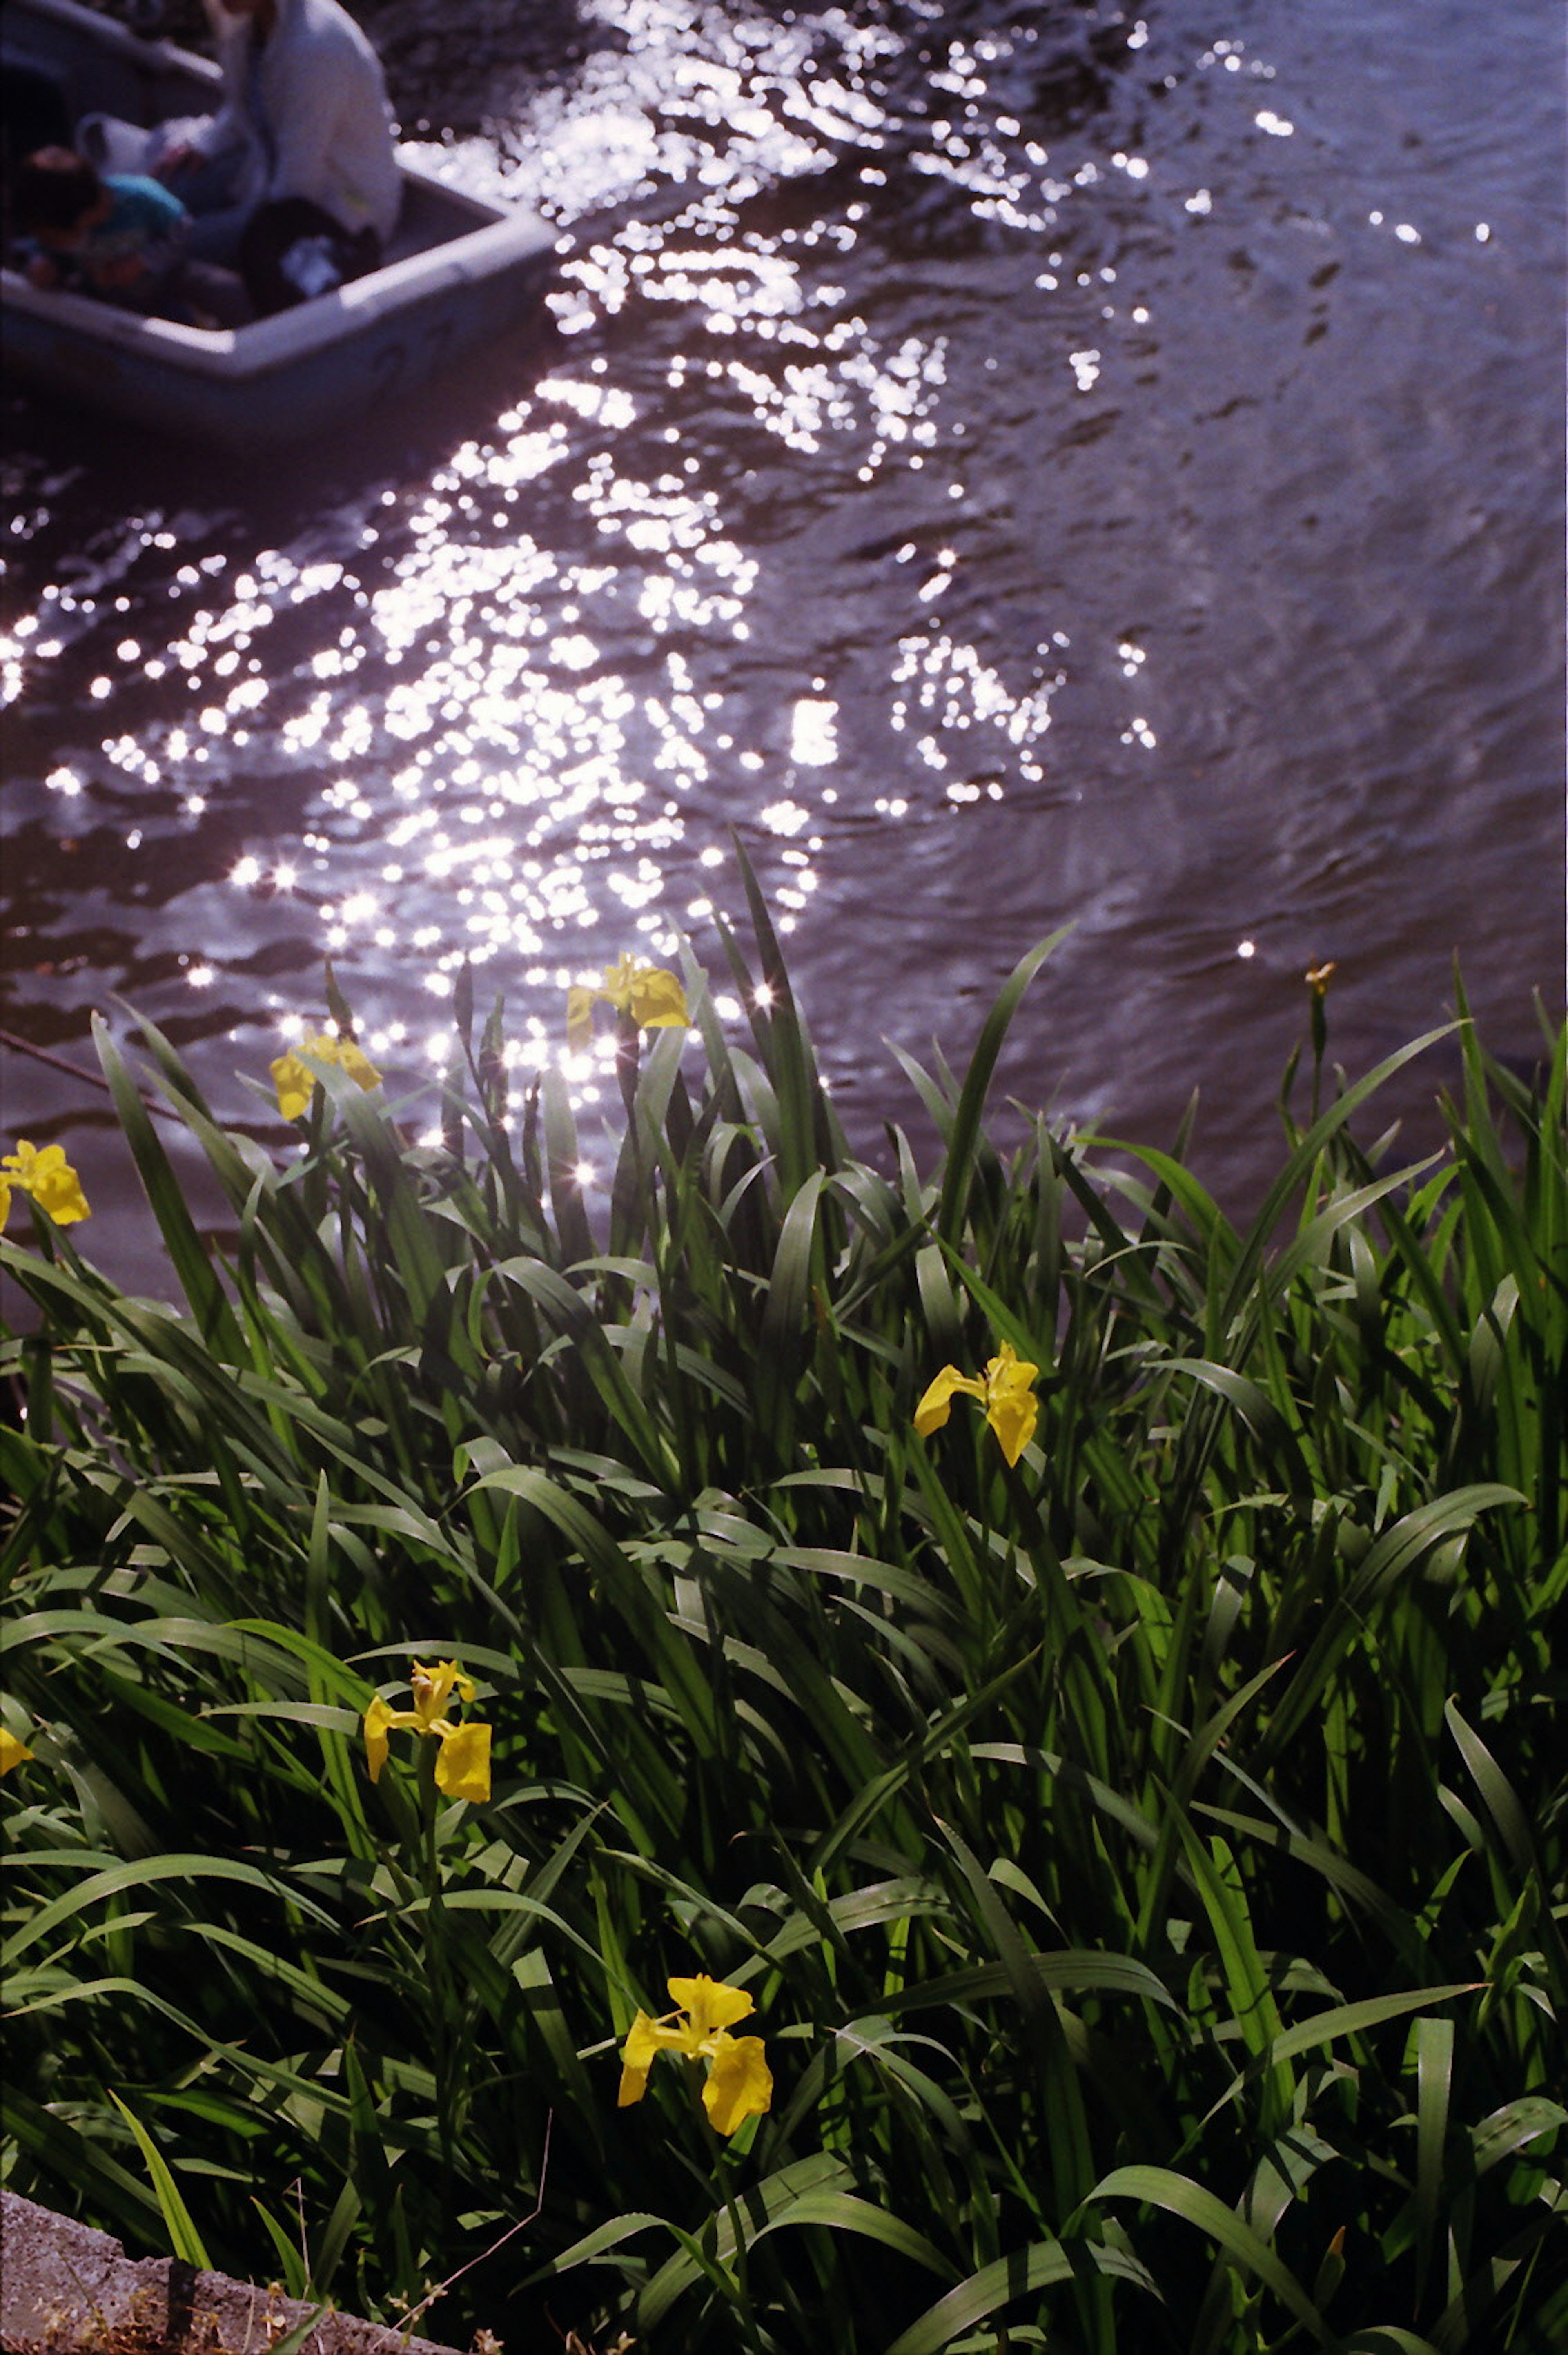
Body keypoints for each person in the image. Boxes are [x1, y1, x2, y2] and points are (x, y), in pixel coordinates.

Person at [160, 0, 401, 313]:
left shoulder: (316, 49)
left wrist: (235, 233)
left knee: (173, 246)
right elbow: (247, 106)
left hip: (340, 205)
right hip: (271, 172)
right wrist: (204, 144)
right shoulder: (250, 22)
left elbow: (298, 185)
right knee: (173, 192)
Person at [10, 143, 247, 323]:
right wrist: (41, 267)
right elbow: (37, 251)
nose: (49, 242)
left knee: (220, 291)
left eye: (51, 237)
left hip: (166, 280)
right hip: (104, 299)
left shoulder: (140, 197)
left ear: (83, 218)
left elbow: (184, 232)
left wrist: (143, 261)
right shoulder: (54, 226)